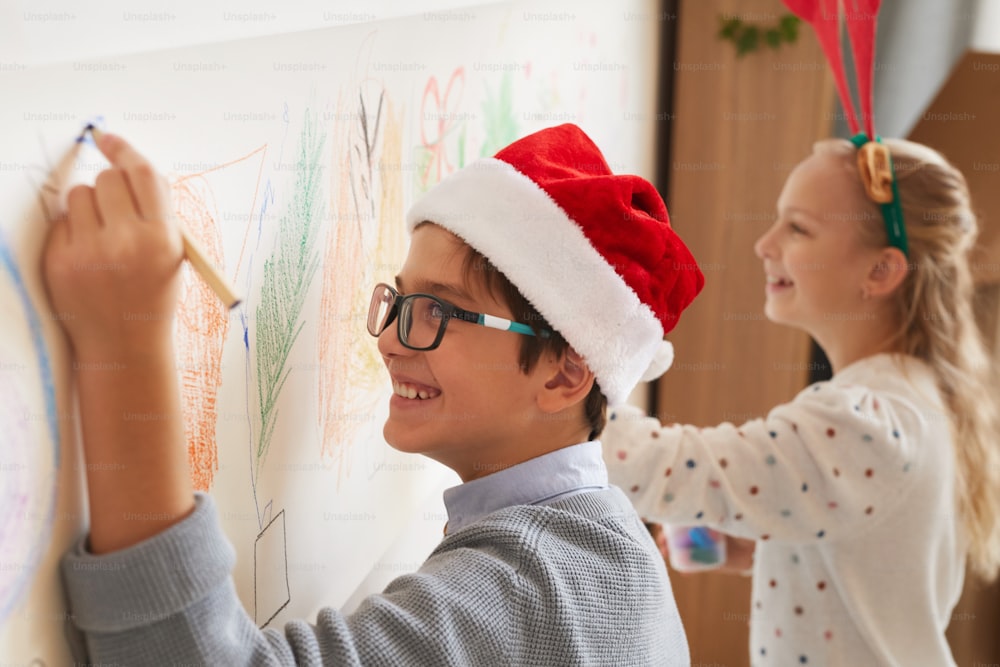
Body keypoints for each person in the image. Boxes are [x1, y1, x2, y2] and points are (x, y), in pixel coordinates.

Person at [46, 124, 704, 664]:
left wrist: (124, 344)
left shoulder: (529, 585)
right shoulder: (608, 540)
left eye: (436, 311)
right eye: (397, 300)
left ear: (563, 375)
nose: (390, 338)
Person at [601, 136, 1000, 665]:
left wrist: (570, 386)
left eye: (798, 228)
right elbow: (869, 550)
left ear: (881, 271)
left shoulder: (866, 424)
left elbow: (669, 467)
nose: (764, 244)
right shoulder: (914, 398)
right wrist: (762, 546)